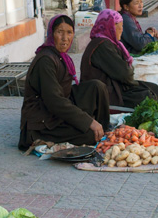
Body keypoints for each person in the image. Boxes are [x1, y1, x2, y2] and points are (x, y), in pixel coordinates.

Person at [19, 15, 109, 150]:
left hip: (57, 110)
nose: (65, 38)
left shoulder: (61, 56)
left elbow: (63, 94)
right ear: (51, 34)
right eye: (59, 32)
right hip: (42, 121)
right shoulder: (45, 61)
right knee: (89, 134)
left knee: (96, 86)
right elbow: (55, 101)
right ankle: (95, 131)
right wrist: (88, 121)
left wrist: (88, 121)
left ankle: (102, 130)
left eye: (69, 33)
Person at [80, 10, 158, 109]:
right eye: (120, 26)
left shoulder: (109, 42)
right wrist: (133, 83)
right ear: (111, 27)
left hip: (115, 86)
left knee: (154, 88)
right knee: (147, 96)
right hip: (105, 93)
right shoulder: (102, 46)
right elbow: (125, 74)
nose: (121, 30)